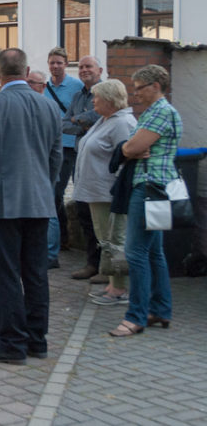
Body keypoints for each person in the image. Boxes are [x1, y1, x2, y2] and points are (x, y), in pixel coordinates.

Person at [0, 48, 62, 364]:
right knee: (35, 273)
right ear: (27, 69)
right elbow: (55, 156)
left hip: (2, 202)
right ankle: (37, 340)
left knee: (4, 273)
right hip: (38, 200)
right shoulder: (49, 106)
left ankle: (11, 342)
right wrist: (44, 187)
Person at [112, 65, 180, 337]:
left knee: (136, 253)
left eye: (140, 87)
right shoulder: (161, 111)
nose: (135, 93)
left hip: (149, 187)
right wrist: (130, 148)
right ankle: (160, 311)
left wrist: (129, 148)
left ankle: (136, 316)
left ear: (155, 86)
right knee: (154, 252)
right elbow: (132, 147)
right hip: (160, 188)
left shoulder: (160, 112)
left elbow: (131, 147)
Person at [73, 79, 136, 305]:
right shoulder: (106, 120)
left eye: (97, 98)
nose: (94, 102)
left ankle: (119, 289)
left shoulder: (122, 123)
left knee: (114, 239)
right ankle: (112, 284)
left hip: (108, 194)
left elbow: (126, 159)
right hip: (96, 193)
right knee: (105, 239)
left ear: (110, 100)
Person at [65, 55, 106, 282]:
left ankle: (105, 267)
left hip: (98, 167)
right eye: (80, 66)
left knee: (100, 218)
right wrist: (82, 122)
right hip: (80, 162)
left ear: (100, 69)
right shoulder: (78, 95)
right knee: (84, 215)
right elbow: (64, 124)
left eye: (88, 66)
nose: (83, 70)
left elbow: (98, 117)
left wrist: (77, 120)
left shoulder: (105, 93)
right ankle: (92, 263)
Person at [45, 48, 84, 259]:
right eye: (52, 62)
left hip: (70, 146)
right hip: (50, 146)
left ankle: (62, 238)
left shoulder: (76, 87)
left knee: (59, 191)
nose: (55, 66)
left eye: (59, 62)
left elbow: (78, 117)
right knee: (54, 192)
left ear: (66, 64)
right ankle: (61, 237)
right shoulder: (45, 87)